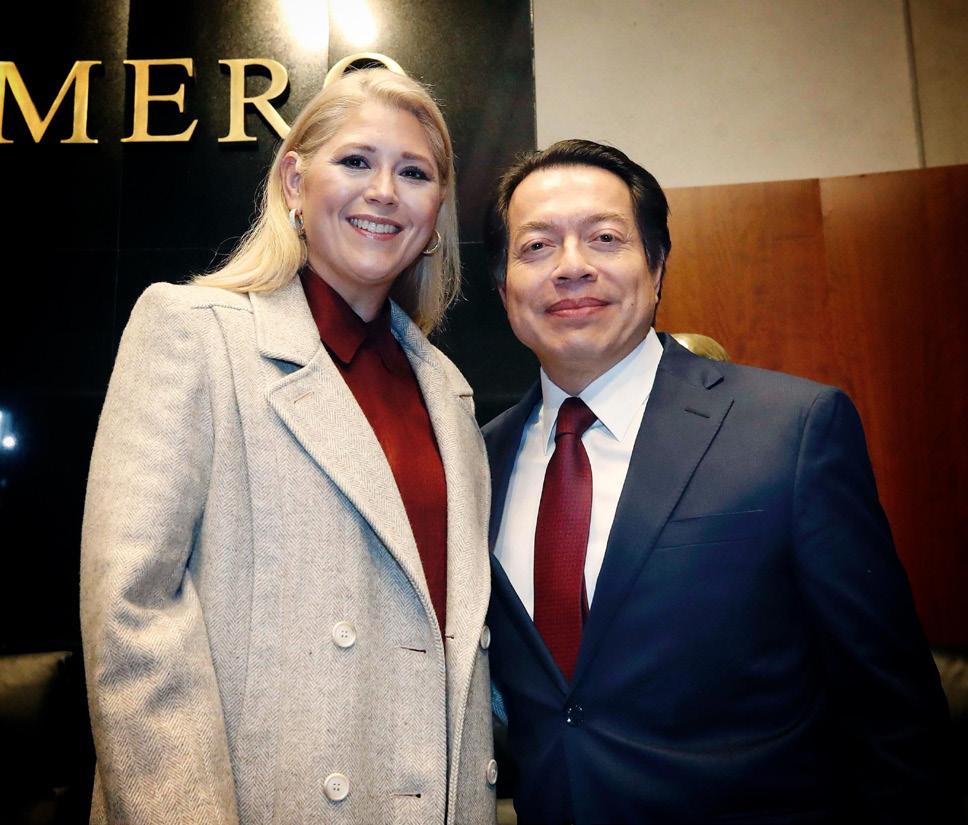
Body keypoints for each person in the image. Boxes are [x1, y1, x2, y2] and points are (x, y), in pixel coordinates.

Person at [482, 139, 955, 824]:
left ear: (657, 267)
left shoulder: (792, 429)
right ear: (504, 289)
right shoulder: (476, 463)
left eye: (605, 238)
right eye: (536, 247)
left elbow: (894, 714)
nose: (572, 266)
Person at [80, 68, 496, 825]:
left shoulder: (449, 393)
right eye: (356, 160)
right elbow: (133, 617)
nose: (384, 191)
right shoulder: (194, 332)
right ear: (295, 183)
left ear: (436, 211)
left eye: (414, 173)